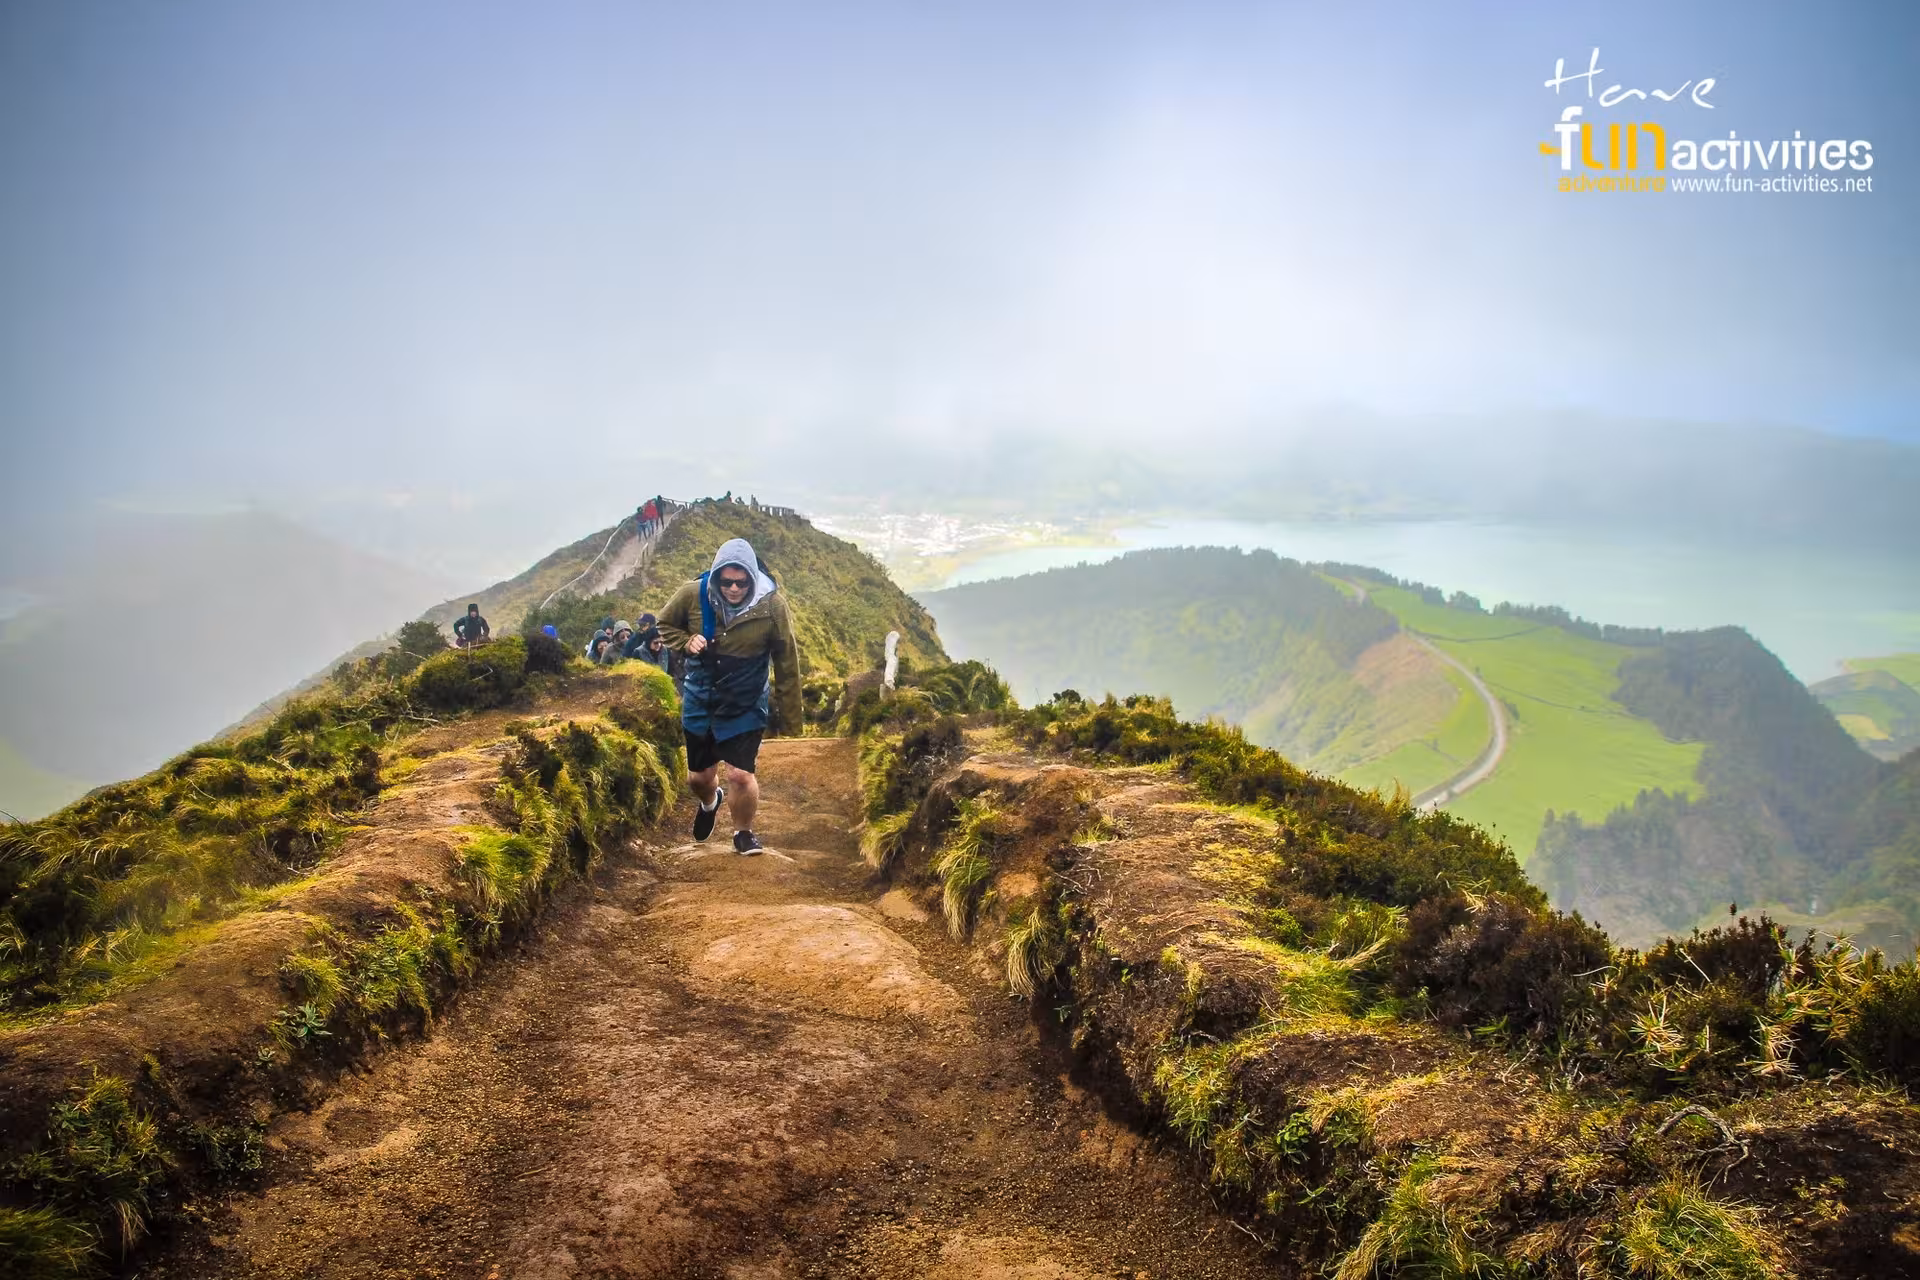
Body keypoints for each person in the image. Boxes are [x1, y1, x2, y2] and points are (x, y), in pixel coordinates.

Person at [656, 537, 800, 855]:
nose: (734, 589)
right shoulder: (692, 594)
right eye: (727, 582)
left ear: (751, 576)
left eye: (741, 582)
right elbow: (664, 624)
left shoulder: (772, 606)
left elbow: (787, 660)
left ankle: (743, 833)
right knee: (698, 778)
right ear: (717, 575)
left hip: (745, 702)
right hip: (701, 700)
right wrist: (685, 640)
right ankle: (711, 800)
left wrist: (791, 720)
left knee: (741, 773)